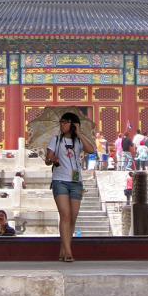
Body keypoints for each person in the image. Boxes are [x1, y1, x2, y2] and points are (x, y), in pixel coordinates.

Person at [45, 112, 94, 262]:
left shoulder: (78, 141)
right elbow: (47, 159)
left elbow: (91, 150)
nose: (62, 124)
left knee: (72, 218)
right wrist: (52, 159)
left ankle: (63, 249)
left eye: (65, 122)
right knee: (65, 214)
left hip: (76, 181)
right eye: (61, 122)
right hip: (60, 180)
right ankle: (68, 252)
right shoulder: (56, 140)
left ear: (73, 124)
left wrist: (79, 133)